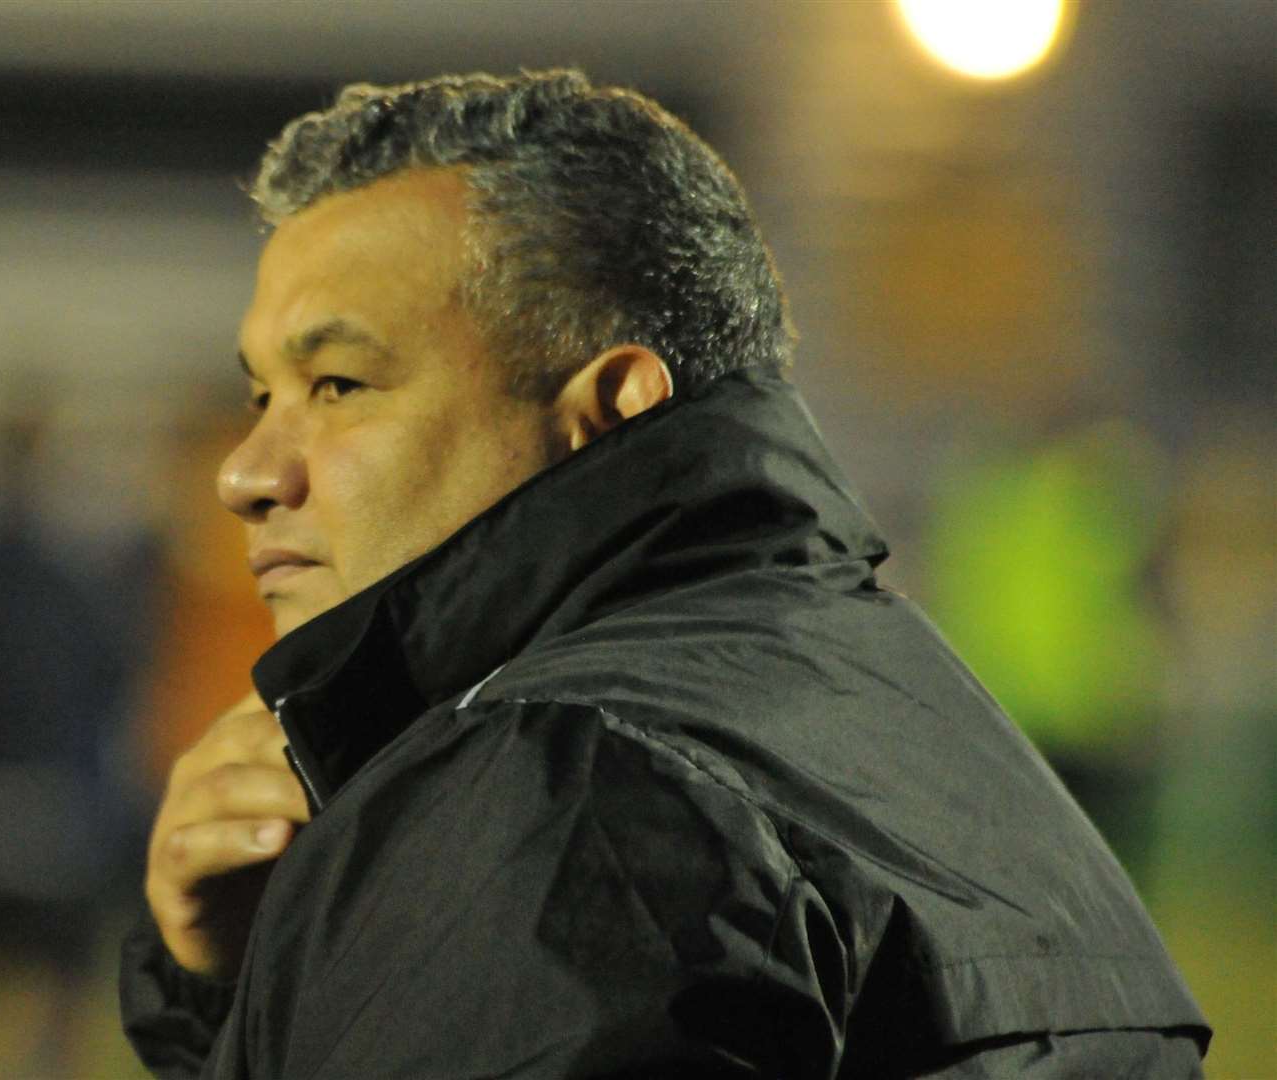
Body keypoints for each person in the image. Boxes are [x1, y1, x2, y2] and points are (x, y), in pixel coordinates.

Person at [120, 70, 1209, 1078]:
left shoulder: (569, 784)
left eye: (341, 385)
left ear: (611, 408)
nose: (245, 472)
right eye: (263, 395)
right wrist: (243, 978)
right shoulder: (925, 733)